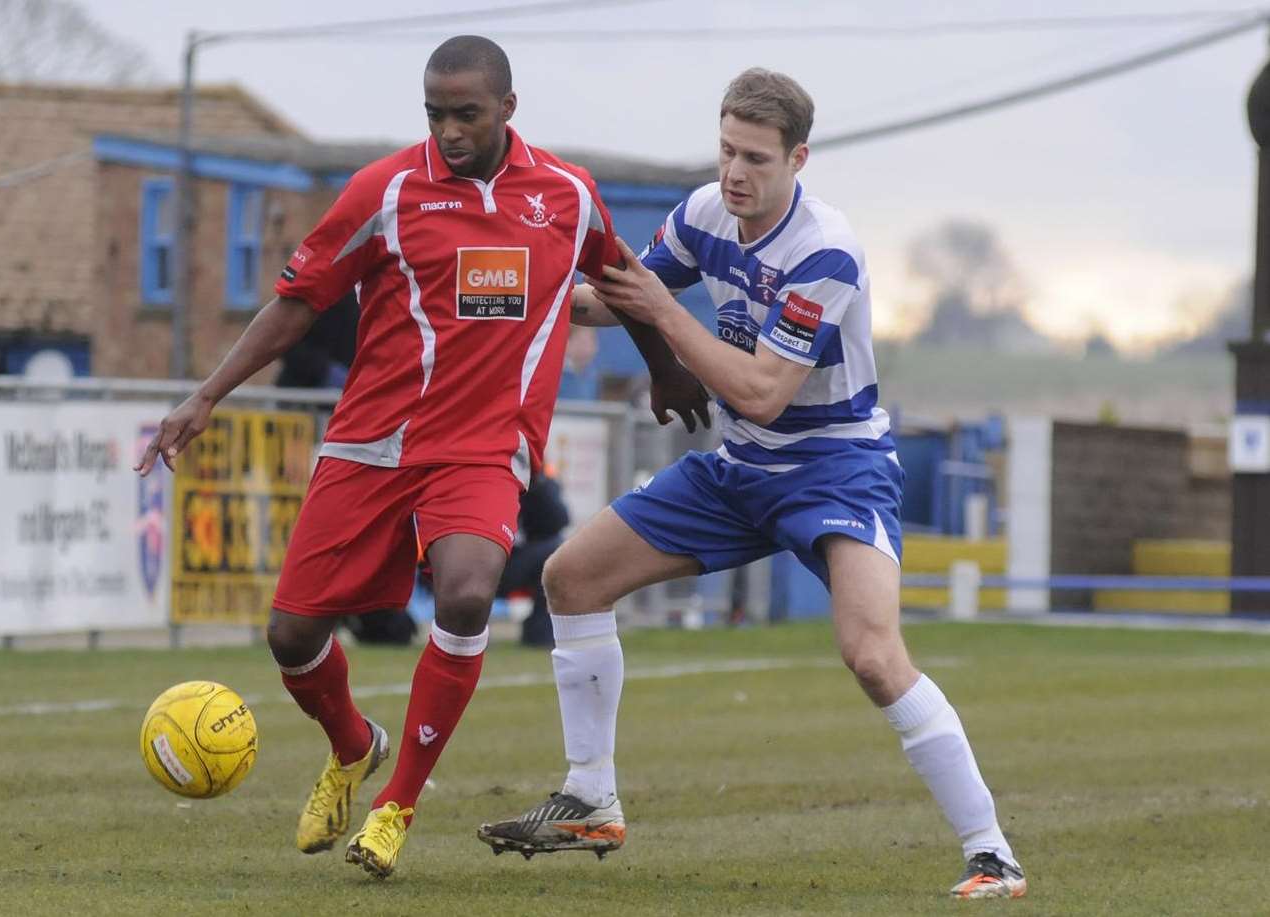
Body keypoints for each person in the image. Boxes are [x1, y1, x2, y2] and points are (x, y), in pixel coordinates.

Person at [136, 35, 707, 880]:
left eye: (465, 114)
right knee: (291, 634)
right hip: (372, 440)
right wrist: (206, 394)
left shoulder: (565, 194)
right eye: (434, 114)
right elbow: (299, 303)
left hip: (483, 445)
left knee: (470, 591)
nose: (448, 130)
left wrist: (663, 364)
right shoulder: (387, 190)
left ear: (507, 109)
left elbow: (623, 279)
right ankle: (353, 742)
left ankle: (396, 800)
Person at [477, 68, 1026, 900]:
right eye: (726, 149)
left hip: (835, 468)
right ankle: (590, 796)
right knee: (571, 577)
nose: (734, 172)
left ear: (798, 158)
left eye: (756, 158)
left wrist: (664, 313)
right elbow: (616, 297)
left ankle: (991, 852)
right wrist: (492, 287)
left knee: (873, 656)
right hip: (740, 469)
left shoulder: (824, 249)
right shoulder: (705, 211)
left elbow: (761, 389)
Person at [499, 468, 571, 647]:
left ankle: (539, 631)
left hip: (517, 561)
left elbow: (561, 519)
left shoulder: (537, 486)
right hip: (483, 559)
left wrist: (538, 483)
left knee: (555, 551)